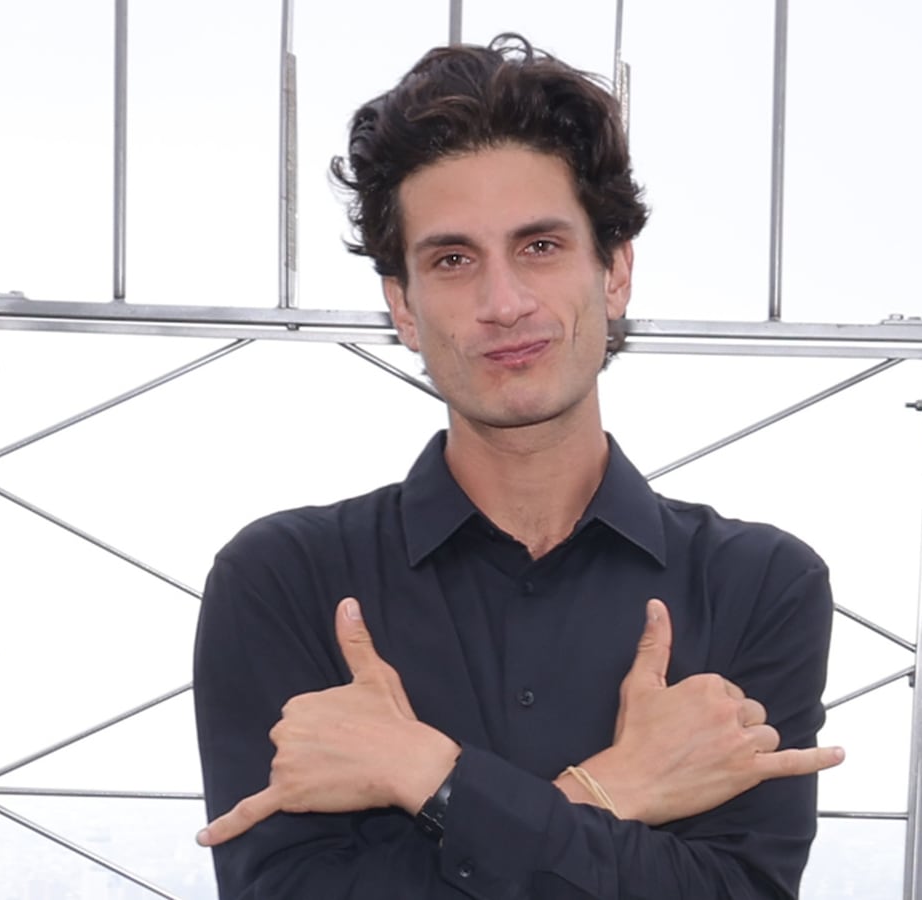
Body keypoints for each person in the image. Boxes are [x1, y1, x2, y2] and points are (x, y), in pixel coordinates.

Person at [191, 33, 843, 899]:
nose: (504, 304)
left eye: (539, 246)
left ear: (613, 274)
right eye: (453, 261)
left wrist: (422, 772)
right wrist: (618, 794)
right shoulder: (283, 581)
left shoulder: (762, 585)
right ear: (404, 308)